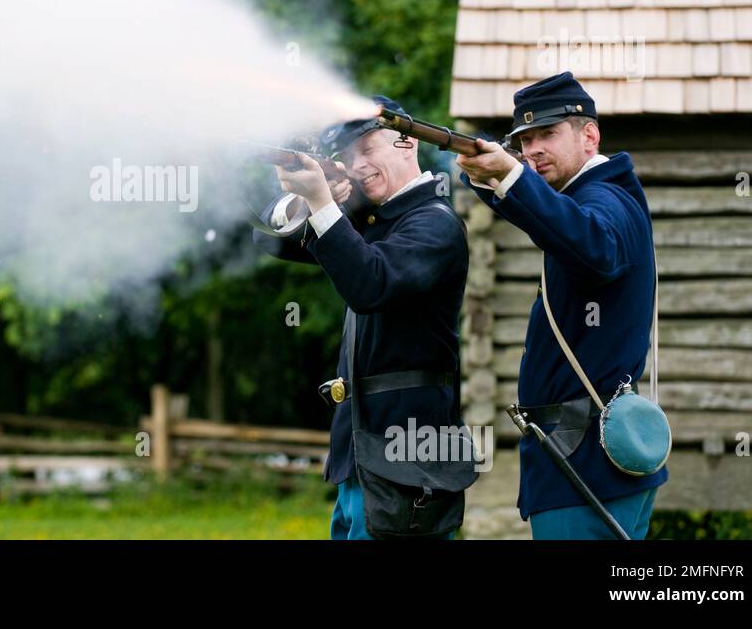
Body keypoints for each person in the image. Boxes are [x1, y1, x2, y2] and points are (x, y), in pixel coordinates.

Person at [455, 71, 667, 540]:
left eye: (547, 134)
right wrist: (493, 182)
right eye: (524, 141)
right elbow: (554, 224)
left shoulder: (604, 199)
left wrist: (509, 176)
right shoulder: (597, 197)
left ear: (589, 136)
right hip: (595, 459)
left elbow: (590, 244)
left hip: (583, 464)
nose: (532, 150)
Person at [253, 96, 469, 540]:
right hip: (365, 453)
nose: (357, 163)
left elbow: (370, 286)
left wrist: (323, 204)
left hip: (407, 457)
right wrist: (309, 197)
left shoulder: (435, 222)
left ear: (407, 142)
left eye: (367, 149)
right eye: (347, 156)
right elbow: (269, 240)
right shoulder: (370, 219)